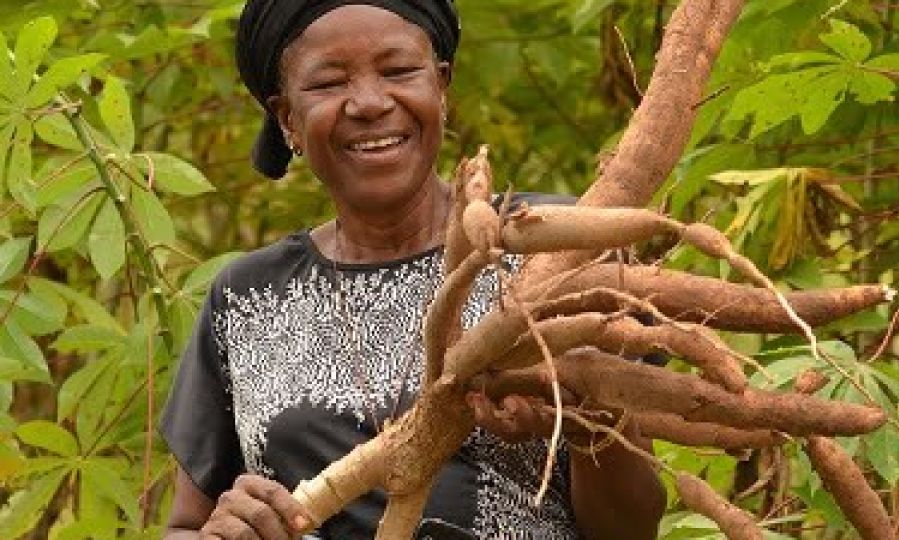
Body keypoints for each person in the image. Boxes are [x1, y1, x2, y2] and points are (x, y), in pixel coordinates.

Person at [161, 1, 666, 538]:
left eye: (399, 71)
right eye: (329, 83)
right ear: (287, 119)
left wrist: (593, 416)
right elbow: (187, 526)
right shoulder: (246, 299)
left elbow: (631, 530)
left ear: (441, 87)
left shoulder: (554, 248)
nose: (371, 102)